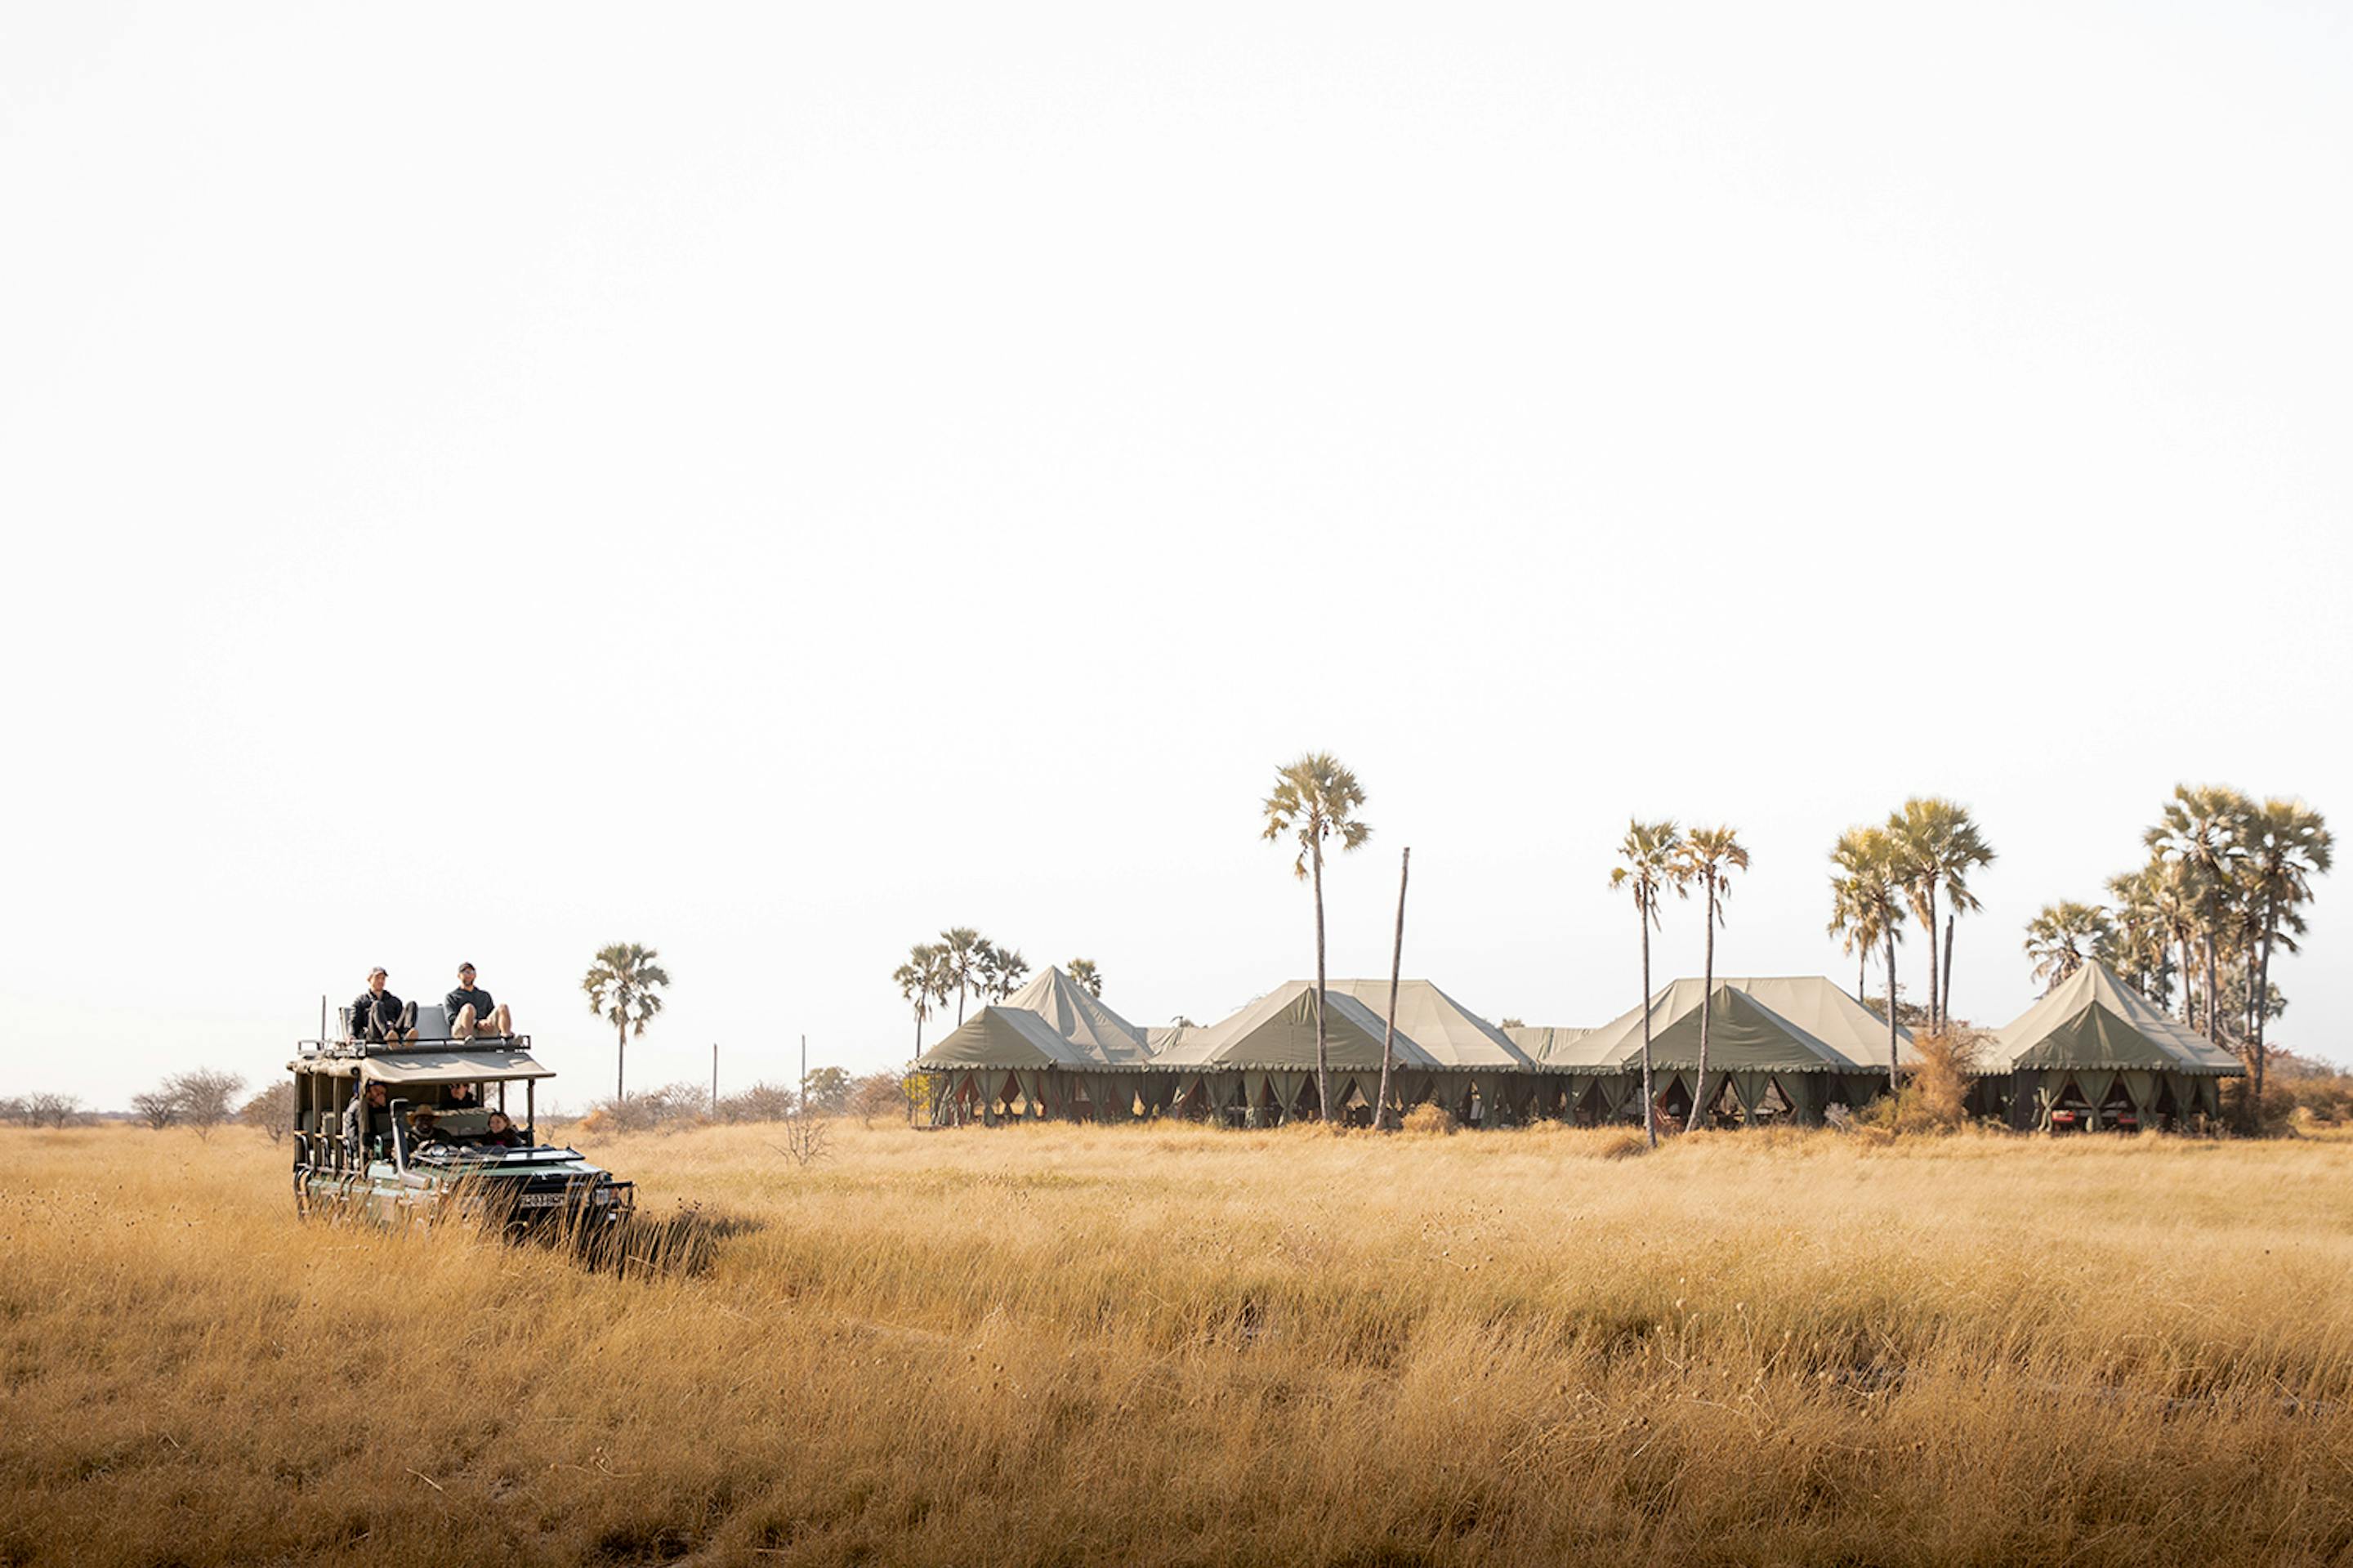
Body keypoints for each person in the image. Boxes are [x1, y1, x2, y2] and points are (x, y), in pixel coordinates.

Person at [350, 968, 418, 1046]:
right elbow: (354, 1021)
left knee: (411, 1004)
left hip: (394, 1034)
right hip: (374, 1034)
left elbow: (400, 1019)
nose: (380, 981)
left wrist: (392, 1025)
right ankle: (388, 1035)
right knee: (377, 1005)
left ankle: (408, 1036)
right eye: (377, 978)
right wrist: (352, 1035)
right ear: (369, 980)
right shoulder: (361, 1001)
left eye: (383, 979)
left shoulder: (393, 1000)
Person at [445, 963, 513, 1041]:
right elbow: (451, 1019)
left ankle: (507, 1038)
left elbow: (492, 1014)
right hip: (462, 1032)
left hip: (484, 1031)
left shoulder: (484, 995)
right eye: (466, 972)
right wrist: (477, 1023)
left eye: (472, 972)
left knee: (503, 1007)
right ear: (459, 975)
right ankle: (468, 1040)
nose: (469, 975)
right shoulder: (452, 996)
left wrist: (486, 1023)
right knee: (468, 1008)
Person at [343, 1081, 390, 1153]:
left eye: (383, 1092)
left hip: (372, 1144)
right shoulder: (359, 1107)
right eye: (377, 1092)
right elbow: (365, 1135)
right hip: (364, 1148)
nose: (381, 1095)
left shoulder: (370, 1107)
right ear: (366, 1092)